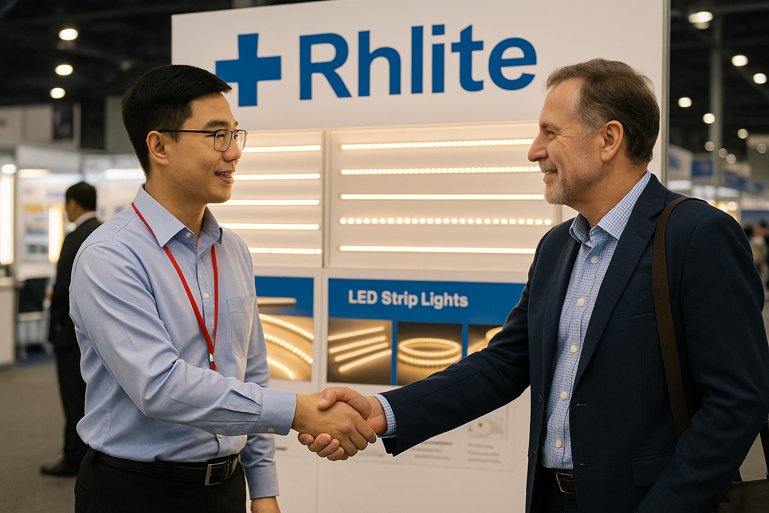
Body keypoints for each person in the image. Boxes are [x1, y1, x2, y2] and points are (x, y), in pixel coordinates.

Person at [301, 59, 769, 513]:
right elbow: (506, 363)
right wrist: (382, 412)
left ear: (609, 139)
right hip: (552, 498)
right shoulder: (556, 247)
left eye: (550, 131)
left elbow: (737, 402)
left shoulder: (696, 235)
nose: (534, 150)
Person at [70, 65, 374, 513]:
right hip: (136, 491)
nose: (233, 152)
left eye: (235, 134)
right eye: (216, 135)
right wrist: (297, 411)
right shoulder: (110, 256)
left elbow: (250, 372)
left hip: (226, 488)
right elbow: (159, 385)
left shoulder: (233, 250)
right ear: (159, 146)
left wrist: (263, 486)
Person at [41, 182, 101, 477]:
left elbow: (66, 285)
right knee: (90, 392)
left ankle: (73, 456)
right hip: (96, 332)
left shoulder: (75, 236)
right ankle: (88, 450)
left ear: (73, 204)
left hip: (71, 333)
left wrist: (58, 326)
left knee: (71, 394)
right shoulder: (104, 232)